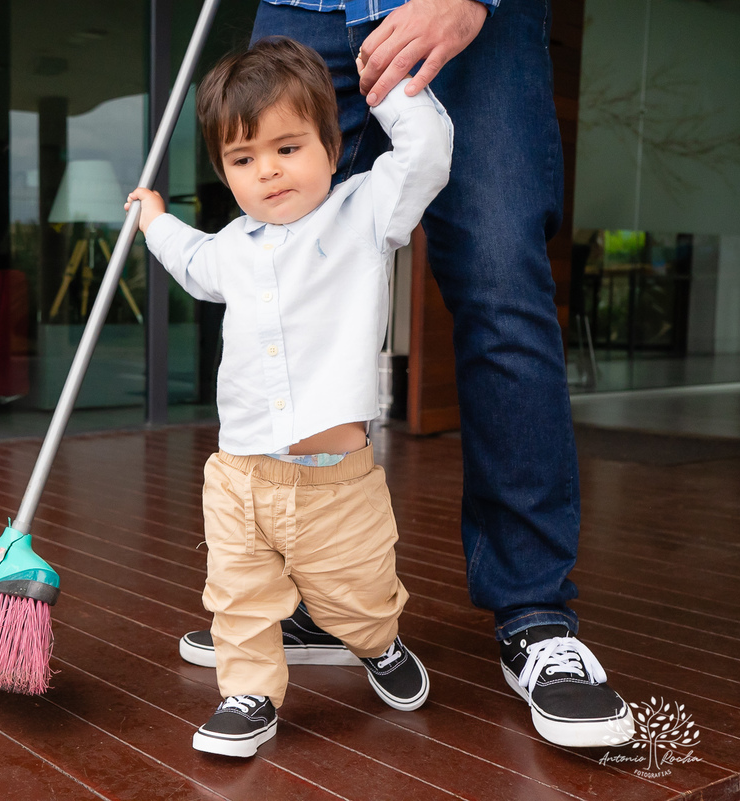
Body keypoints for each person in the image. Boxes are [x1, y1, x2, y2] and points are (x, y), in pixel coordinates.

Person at [174, 0, 636, 749]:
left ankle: (535, 612)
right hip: (308, 11)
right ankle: (315, 604)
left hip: (469, 17)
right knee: (275, 254)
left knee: (501, 289)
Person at [128, 36, 451, 758]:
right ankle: (248, 694)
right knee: (238, 597)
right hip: (239, 476)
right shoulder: (232, 250)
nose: (267, 171)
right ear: (225, 174)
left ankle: (378, 641)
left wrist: (387, 86)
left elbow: (426, 151)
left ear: (331, 149)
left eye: (287, 147)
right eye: (243, 160)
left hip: (334, 484)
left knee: (358, 596)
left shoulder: (365, 214)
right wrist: (152, 218)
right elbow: (187, 259)